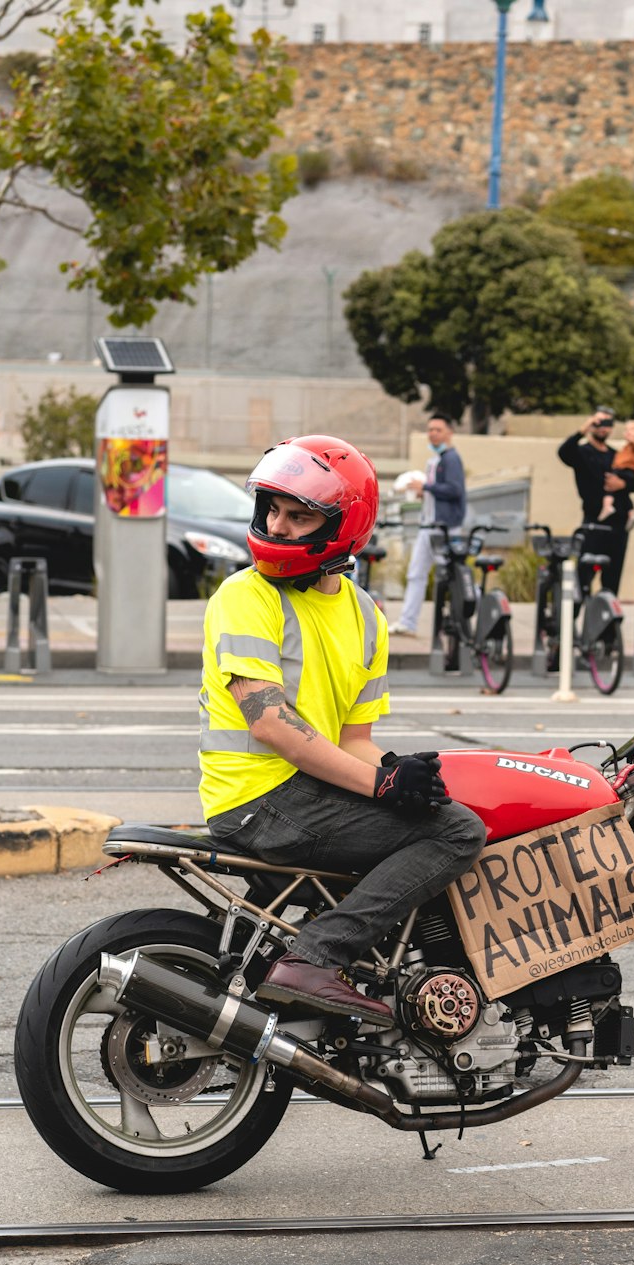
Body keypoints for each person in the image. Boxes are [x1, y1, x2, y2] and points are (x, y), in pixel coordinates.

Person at [198, 433, 486, 1023]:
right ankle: (314, 959)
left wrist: (398, 776)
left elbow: (356, 739)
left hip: (305, 794)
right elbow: (271, 724)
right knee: (457, 833)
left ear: (342, 528)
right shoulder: (245, 596)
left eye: (298, 516)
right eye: (272, 509)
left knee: (440, 806)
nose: (277, 526)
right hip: (259, 796)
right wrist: (382, 788)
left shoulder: (367, 617)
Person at [557, 408, 634, 595]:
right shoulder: (582, 453)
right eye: (599, 423)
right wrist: (584, 429)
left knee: (612, 579)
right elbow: (564, 453)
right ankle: (571, 619)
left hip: (618, 524)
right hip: (594, 522)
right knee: (583, 578)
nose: (603, 428)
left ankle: (608, 621)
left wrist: (623, 483)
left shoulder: (617, 456)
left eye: (607, 424)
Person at [392, 412, 467, 635]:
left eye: (438, 429)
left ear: (449, 433)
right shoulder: (435, 460)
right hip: (429, 526)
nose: (433, 434)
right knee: (416, 574)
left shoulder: (450, 459)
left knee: (452, 575)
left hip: (443, 528)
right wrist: (425, 494)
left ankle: (464, 616)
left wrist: (426, 487)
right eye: (430, 429)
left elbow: (455, 490)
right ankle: (408, 622)